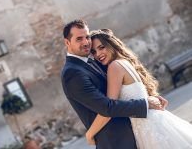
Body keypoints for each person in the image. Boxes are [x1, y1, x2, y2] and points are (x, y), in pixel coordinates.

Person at [61, 19, 167, 149]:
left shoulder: (95, 61)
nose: (85, 42)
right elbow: (107, 107)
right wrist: (146, 103)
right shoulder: (72, 73)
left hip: (133, 133)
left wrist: (147, 98)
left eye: (87, 37)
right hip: (116, 141)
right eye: (79, 39)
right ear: (67, 42)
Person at [86, 28, 192, 148]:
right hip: (152, 120)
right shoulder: (125, 61)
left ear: (110, 44)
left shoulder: (114, 67)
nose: (98, 54)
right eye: (94, 52)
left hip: (147, 127)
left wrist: (90, 134)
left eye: (101, 47)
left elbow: (109, 108)